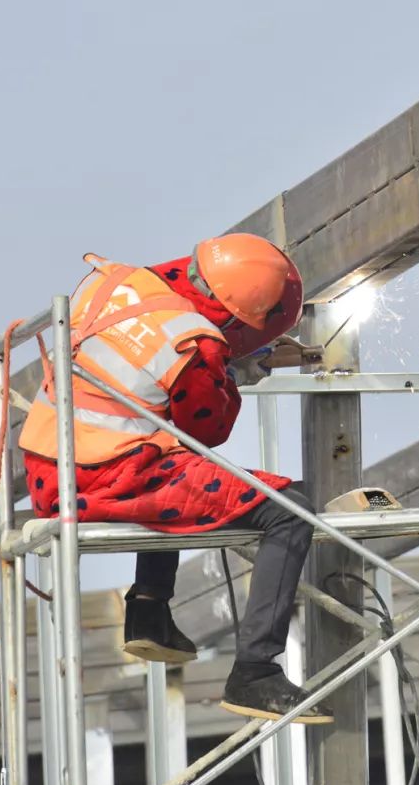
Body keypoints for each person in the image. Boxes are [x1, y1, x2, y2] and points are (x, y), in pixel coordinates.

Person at [18, 235, 330, 724]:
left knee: (175, 463)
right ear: (237, 320)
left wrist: (238, 360)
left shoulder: (118, 282)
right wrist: (238, 369)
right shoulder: (195, 344)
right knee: (291, 509)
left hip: (48, 463)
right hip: (107, 476)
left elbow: (146, 372)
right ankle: (256, 673)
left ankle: (149, 611)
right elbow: (208, 427)